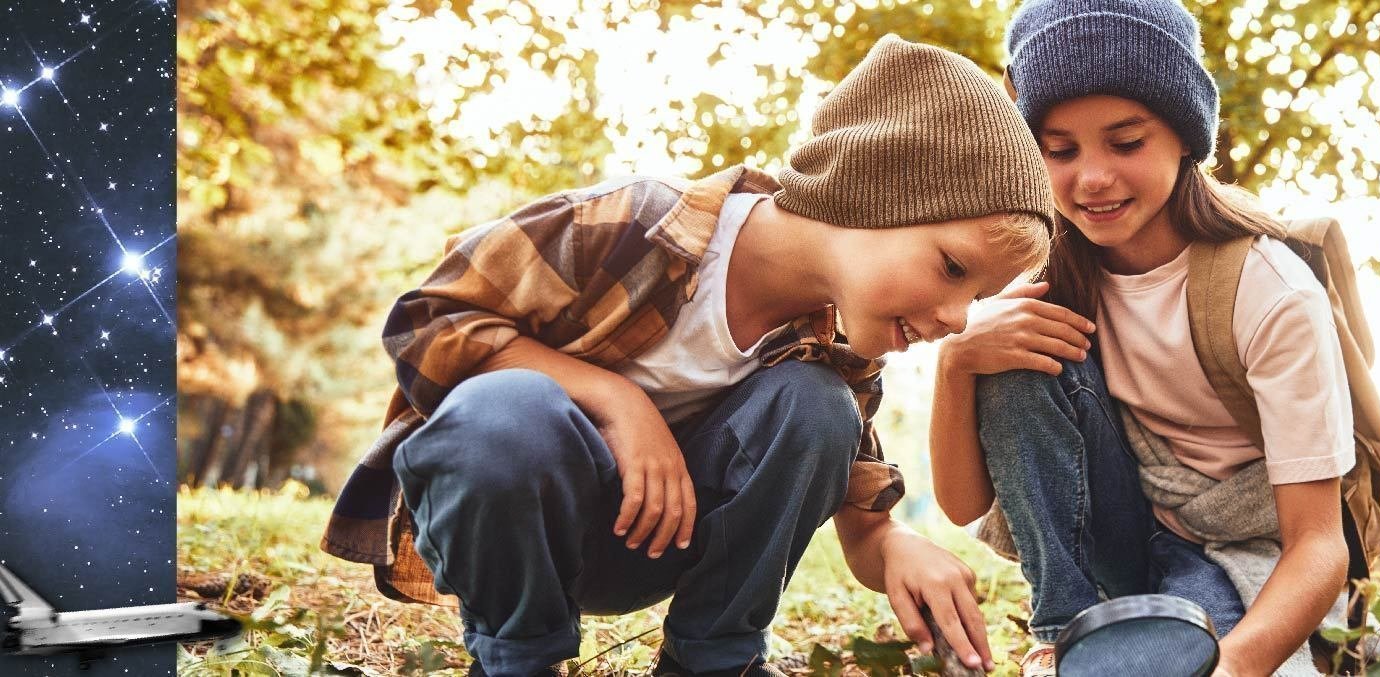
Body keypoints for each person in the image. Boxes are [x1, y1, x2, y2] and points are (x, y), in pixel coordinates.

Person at [321, 35, 1053, 677]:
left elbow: (860, 518)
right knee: (505, 409)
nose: (956, 319)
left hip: (649, 546)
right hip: (512, 519)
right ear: (877, 192)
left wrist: (894, 546)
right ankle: (519, 659)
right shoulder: (627, 224)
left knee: (813, 405)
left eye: (978, 296)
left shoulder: (833, 353)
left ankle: (712, 658)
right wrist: (617, 400)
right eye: (954, 269)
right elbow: (426, 322)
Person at [929, 2, 1357, 675]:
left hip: (1239, 548)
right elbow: (963, 504)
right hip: (1121, 531)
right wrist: (957, 360)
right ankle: (1065, 634)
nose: (1092, 177)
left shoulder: (1270, 291)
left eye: (1125, 142)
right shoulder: (1042, 277)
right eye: (1058, 149)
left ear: (1185, 136)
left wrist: (1237, 665)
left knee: (1178, 661)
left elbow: (1318, 543)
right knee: (1013, 353)